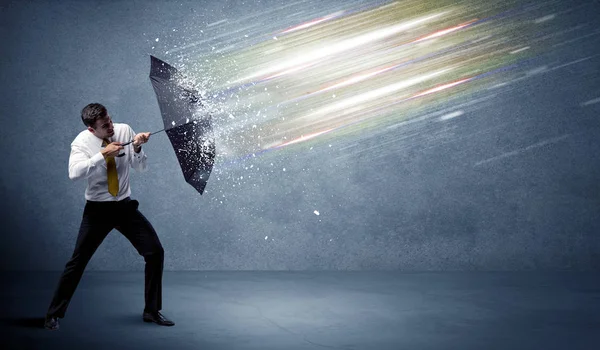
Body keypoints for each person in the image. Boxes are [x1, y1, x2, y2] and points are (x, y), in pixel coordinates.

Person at [44, 103, 174, 330]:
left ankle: (152, 311)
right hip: (97, 211)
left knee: (155, 252)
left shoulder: (124, 130)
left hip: (124, 206)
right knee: (77, 262)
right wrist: (102, 155)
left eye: (110, 120)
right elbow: (74, 174)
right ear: (92, 129)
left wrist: (137, 148)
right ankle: (53, 314)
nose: (111, 126)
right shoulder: (81, 143)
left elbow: (141, 169)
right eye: (105, 126)